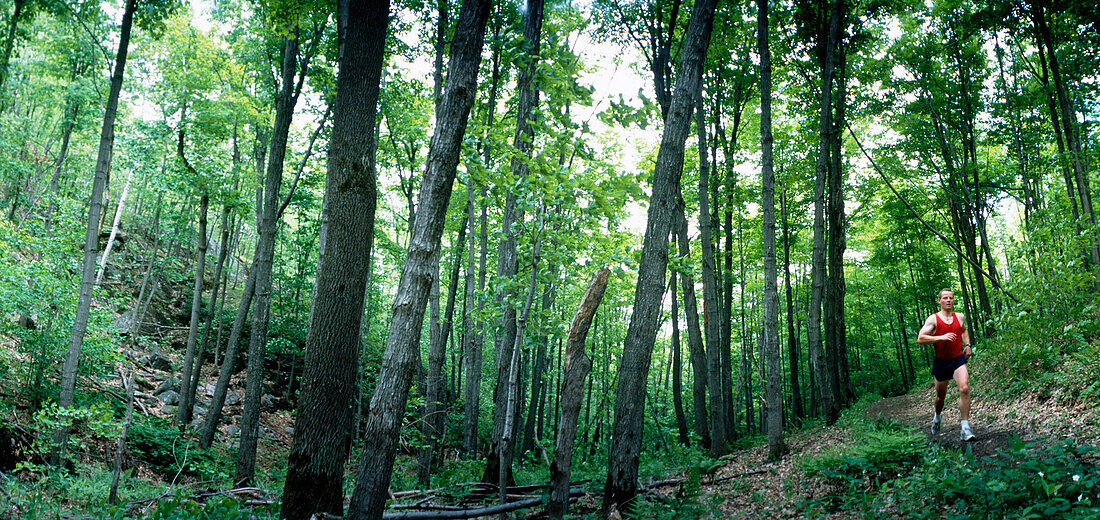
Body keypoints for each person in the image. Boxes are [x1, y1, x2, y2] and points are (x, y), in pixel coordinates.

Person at [917, 288, 974, 441]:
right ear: (939, 301)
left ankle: (965, 428)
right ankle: (937, 417)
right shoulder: (933, 319)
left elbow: (963, 331)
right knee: (940, 397)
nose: (948, 300)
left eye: (951, 298)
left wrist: (967, 345)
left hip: (957, 359)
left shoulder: (960, 317)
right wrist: (941, 337)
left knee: (964, 388)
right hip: (941, 362)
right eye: (945, 298)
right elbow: (921, 338)